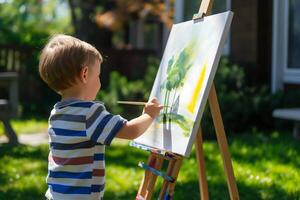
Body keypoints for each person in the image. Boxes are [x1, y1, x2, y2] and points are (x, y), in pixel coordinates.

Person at [39, 34, 163, 200]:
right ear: (84, 74)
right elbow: (130, 131)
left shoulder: (57, 113)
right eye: (97, 76)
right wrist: (149, 114)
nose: (99, 82)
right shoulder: (89, 113)